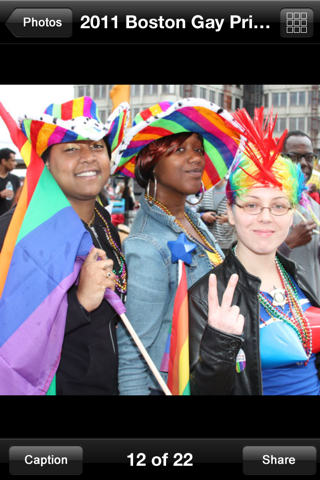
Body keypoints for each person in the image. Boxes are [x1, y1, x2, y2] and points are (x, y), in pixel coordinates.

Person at [0, 96, 129, 395]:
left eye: (97, 146)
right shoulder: (13, 233)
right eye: (71, 148)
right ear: (45, 161)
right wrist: (80, 302)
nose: (88, 157)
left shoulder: (104, 223)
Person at [112, 98, 242, 395]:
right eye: (180, 149)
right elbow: (133, 352)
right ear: (151, 162)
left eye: (198, 149)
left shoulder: (191, 219)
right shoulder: (147, 246)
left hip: (211, 372)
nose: (196, 158)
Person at [188, 107, 320, 395]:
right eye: (251, 205)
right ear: (231, 214)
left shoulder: (299, 277)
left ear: (291, 213)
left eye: (278, 205)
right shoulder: (207, 294)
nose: (265, 217)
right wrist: (220, 341)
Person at [278, 131, 320, 294]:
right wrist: (289, 243)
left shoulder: (314, 207)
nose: (303, 163)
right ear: (281, 160)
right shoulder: (265, 204)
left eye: (309, 157)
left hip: (313, 304)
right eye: (295, 157)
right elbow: (246, 262)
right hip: (280, 306)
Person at [198, 176, 236, 255]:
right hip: (208, 242)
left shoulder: (232, 192)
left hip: (228, 243)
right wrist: (203, 215)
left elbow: (242, 216)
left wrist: (229, 219)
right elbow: (193, 213)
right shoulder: (206, 192)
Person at [0, 147, 21, 216]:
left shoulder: (15, 179)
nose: (15, 163)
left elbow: (18, 200)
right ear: (4, 161)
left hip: (9, 220)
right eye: (12, 161)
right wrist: (1, 194)